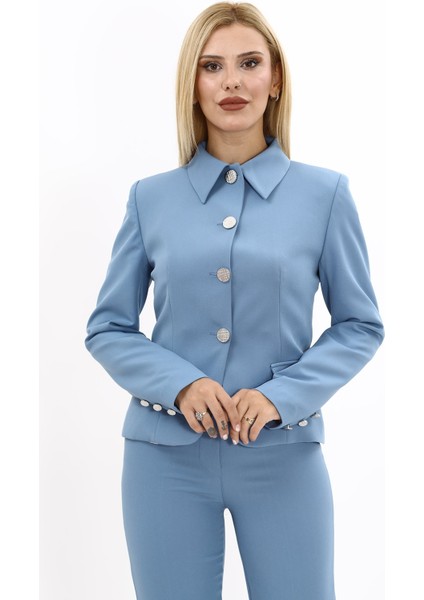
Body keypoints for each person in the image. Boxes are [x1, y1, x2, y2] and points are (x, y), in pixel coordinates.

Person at [85, 2, 384, 598]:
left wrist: (280, 397)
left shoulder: (325, 195)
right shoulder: (150, 199)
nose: (231, 82)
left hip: (284, 453)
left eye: (249, 63)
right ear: (192, 85)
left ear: (275, 80)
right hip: (163, 456)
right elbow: (108, 327)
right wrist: (180, 384)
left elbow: (360, 325)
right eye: (212, 66)